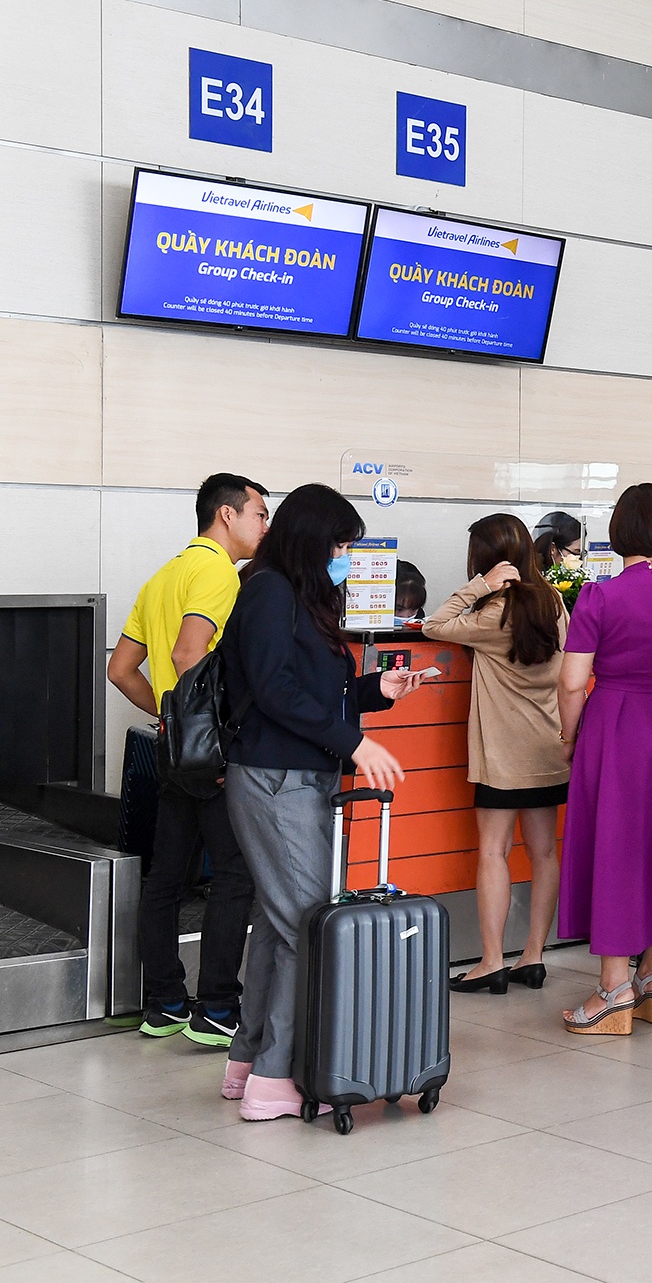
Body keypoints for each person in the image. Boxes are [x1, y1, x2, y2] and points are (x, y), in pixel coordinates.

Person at [216, 484, 427, 1121]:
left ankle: (248, 1061)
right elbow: (276, 691)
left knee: (277, 922)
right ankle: (275, 1080)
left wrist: (375, 689)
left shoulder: (290, 595)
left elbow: (305, 689)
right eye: (339, 544)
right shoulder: (269, 591)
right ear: (311, 539)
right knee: (304, 924)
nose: (345, 557)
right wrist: (355, 743)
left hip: (289, 774)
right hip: (277, 779)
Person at [106, 473, 268, 1049]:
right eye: (258, 514)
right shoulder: (217, 572)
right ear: (226, 515)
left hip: (174, 753)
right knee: (233, 877)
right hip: (213, 754)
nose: (264, 526)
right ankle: (219, 1007)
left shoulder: (163, 575)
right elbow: (188, 651)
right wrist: (209, 733)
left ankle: (165, 1004)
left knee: (166, 878)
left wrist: (170, 719)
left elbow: (120, 669)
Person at [553, 484, 652, 1035]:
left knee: (616, 847)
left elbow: (572, 683)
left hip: (615, 726)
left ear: (619, 532)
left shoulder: (600, 597)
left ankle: (614, 985)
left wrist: (569, 737)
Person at [423, 514, 570, 995]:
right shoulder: (553, 604)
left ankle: (490, 961)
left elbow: (433, 625)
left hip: (503, 756)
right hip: (549, 747)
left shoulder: (492, 615)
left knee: (494, 850)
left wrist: (478, 586)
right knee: (545, 853)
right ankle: (533, 956)